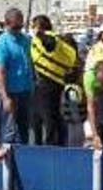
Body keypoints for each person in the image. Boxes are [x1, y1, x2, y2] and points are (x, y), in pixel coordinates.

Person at [30, 15, 76, 146]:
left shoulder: (48, 37)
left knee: (48, 119)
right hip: (55, 83)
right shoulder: (58, 39)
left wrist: (40, 34)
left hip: (46, 85)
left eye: (33, 26)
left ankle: (51, 146)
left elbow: (50, 44)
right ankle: (57, 144)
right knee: (51, 118)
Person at [0, 8, 34, 143]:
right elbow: (0, 71)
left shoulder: (26, 40)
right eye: (16, 27)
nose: (19, 30)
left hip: (26, 91)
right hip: (10, 93)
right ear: (7, 24)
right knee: (8, 132)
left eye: (21, 26)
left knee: (24, 130)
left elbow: (30, 62)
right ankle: (6, 162)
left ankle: (24, 158)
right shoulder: (1, 44)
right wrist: (5, 98)